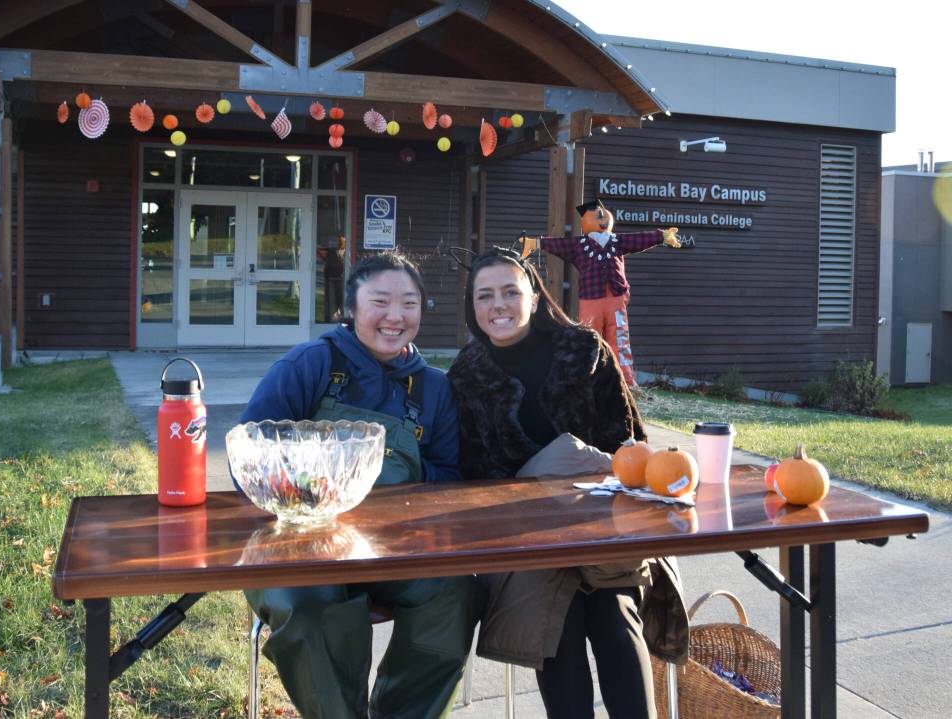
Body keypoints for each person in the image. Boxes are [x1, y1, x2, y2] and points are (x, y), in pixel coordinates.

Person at [447, 247, 688, 719]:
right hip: (525, 537)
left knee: (616, 622)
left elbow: (630, 446)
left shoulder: (584, 351)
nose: (499, 305)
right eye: (485, 295)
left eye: (510, 292)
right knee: (557, 629)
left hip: (602, 525)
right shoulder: (466, 376)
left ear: (534, 297)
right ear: (472, 307)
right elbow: (472, 474)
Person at [239, 250, 481, 719]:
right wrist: (308, 484)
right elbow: (248, 449)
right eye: (380, 302)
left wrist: (398, 477)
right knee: (309, 605)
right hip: (299, 545)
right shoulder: (310, 364)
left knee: (453, 590)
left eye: (409, 303)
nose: (396, 316)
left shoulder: (432, 387)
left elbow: (448, 476)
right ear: (350, 309)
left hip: (394, 547)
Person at [520, 199, 686, 385]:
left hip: (616, 298)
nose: (604, 217)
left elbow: (638, 239)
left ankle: (625, 382)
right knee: (591, 339)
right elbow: (558, 244)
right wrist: (534, 243)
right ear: (586, 221)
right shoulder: (578, 245)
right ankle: (589, 380)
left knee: (619, 340)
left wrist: (661, 236)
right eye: (599, 215)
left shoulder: (617, 241)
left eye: (605, 213)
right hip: (591, 300)